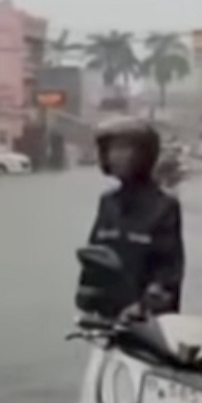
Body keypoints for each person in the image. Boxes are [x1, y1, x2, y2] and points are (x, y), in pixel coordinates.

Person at [76, 117, 184, 320]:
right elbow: (96, 256)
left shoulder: (164, 206)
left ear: (144, 154)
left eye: (124, 149)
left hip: (149, 325)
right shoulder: (108, 202)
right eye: (111, 150)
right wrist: (87, 295)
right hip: (108, 321)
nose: (115, 156)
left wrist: (144, 306)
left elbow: (169, 272)